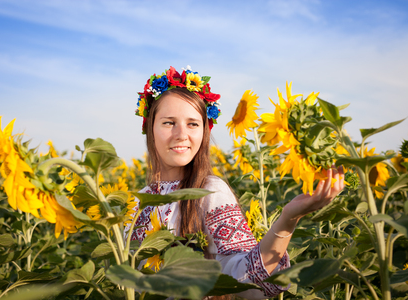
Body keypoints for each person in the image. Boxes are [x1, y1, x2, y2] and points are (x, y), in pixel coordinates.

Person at [128, 66, 345, 299]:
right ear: (150, 128)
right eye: (169, 122)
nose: (181, 134)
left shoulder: (209, 192)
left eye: (192, 123)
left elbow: (247, 282)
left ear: (204, 131)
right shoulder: (134, 204)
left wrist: (288, 219)